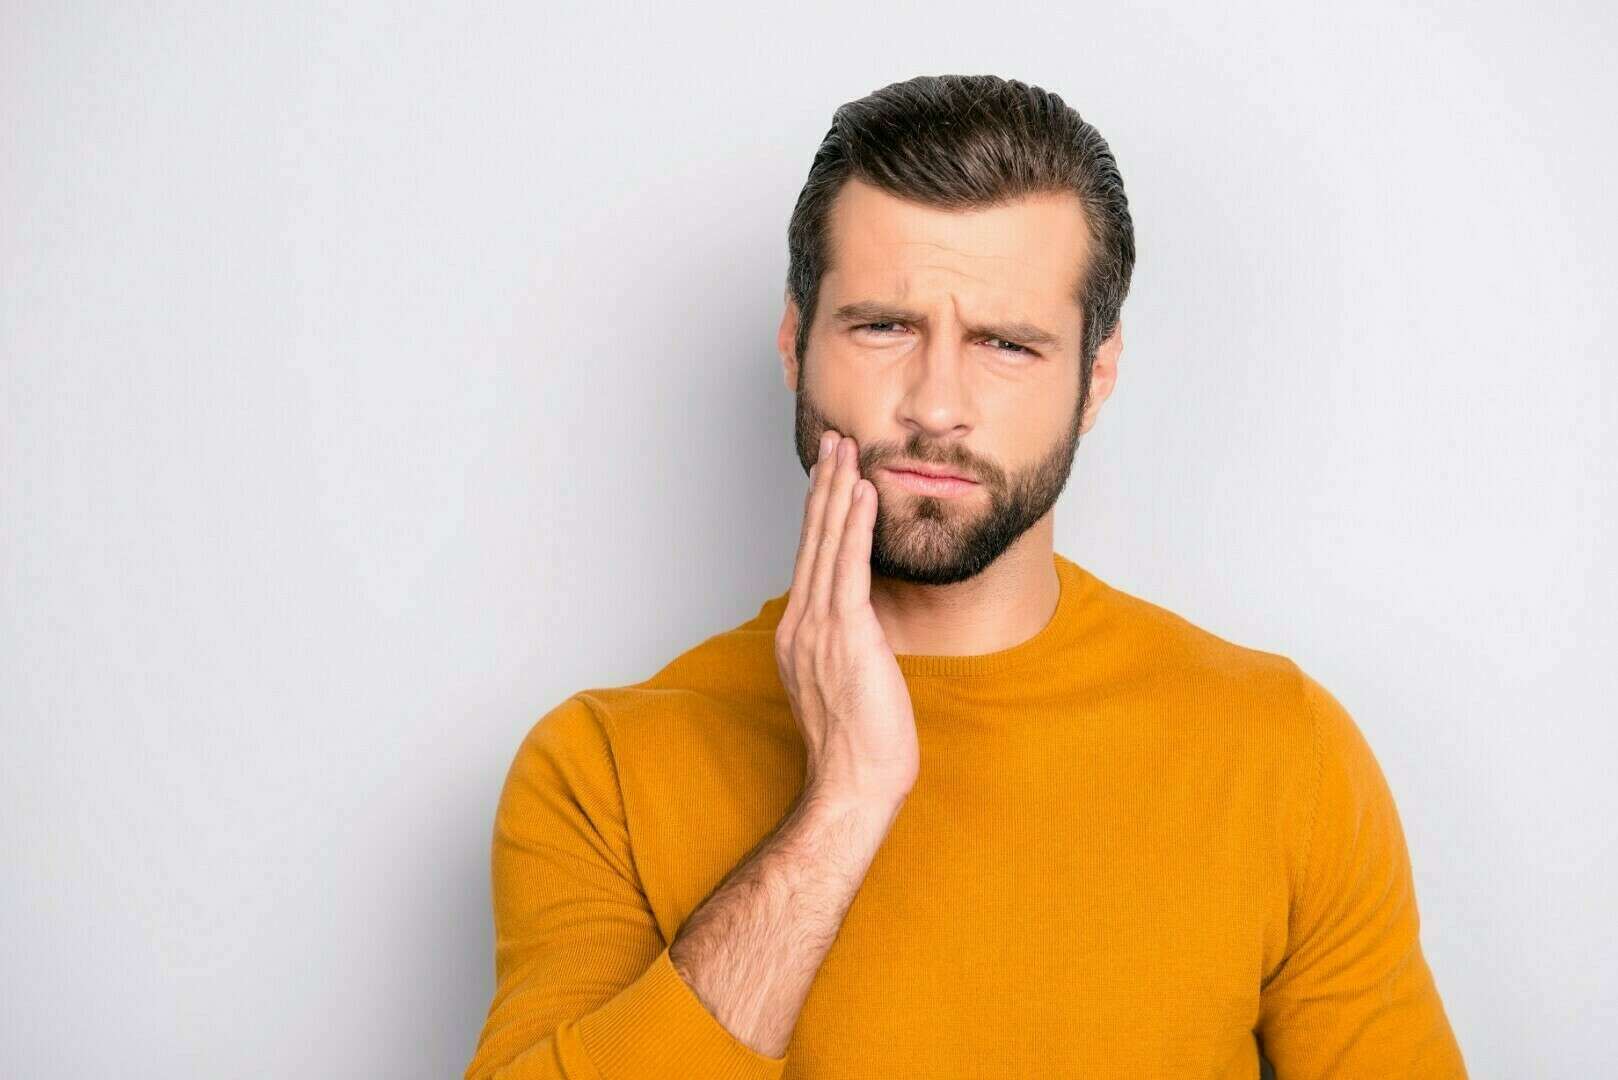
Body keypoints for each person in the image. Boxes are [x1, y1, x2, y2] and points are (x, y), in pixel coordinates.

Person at [463, 74, 1469, 1079]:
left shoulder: (1282, 751)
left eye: (1006, 344)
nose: (937, 404)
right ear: (794, 344)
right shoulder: (602, 770)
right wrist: (842, 805)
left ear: (1095, 378)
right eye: (883, 327)